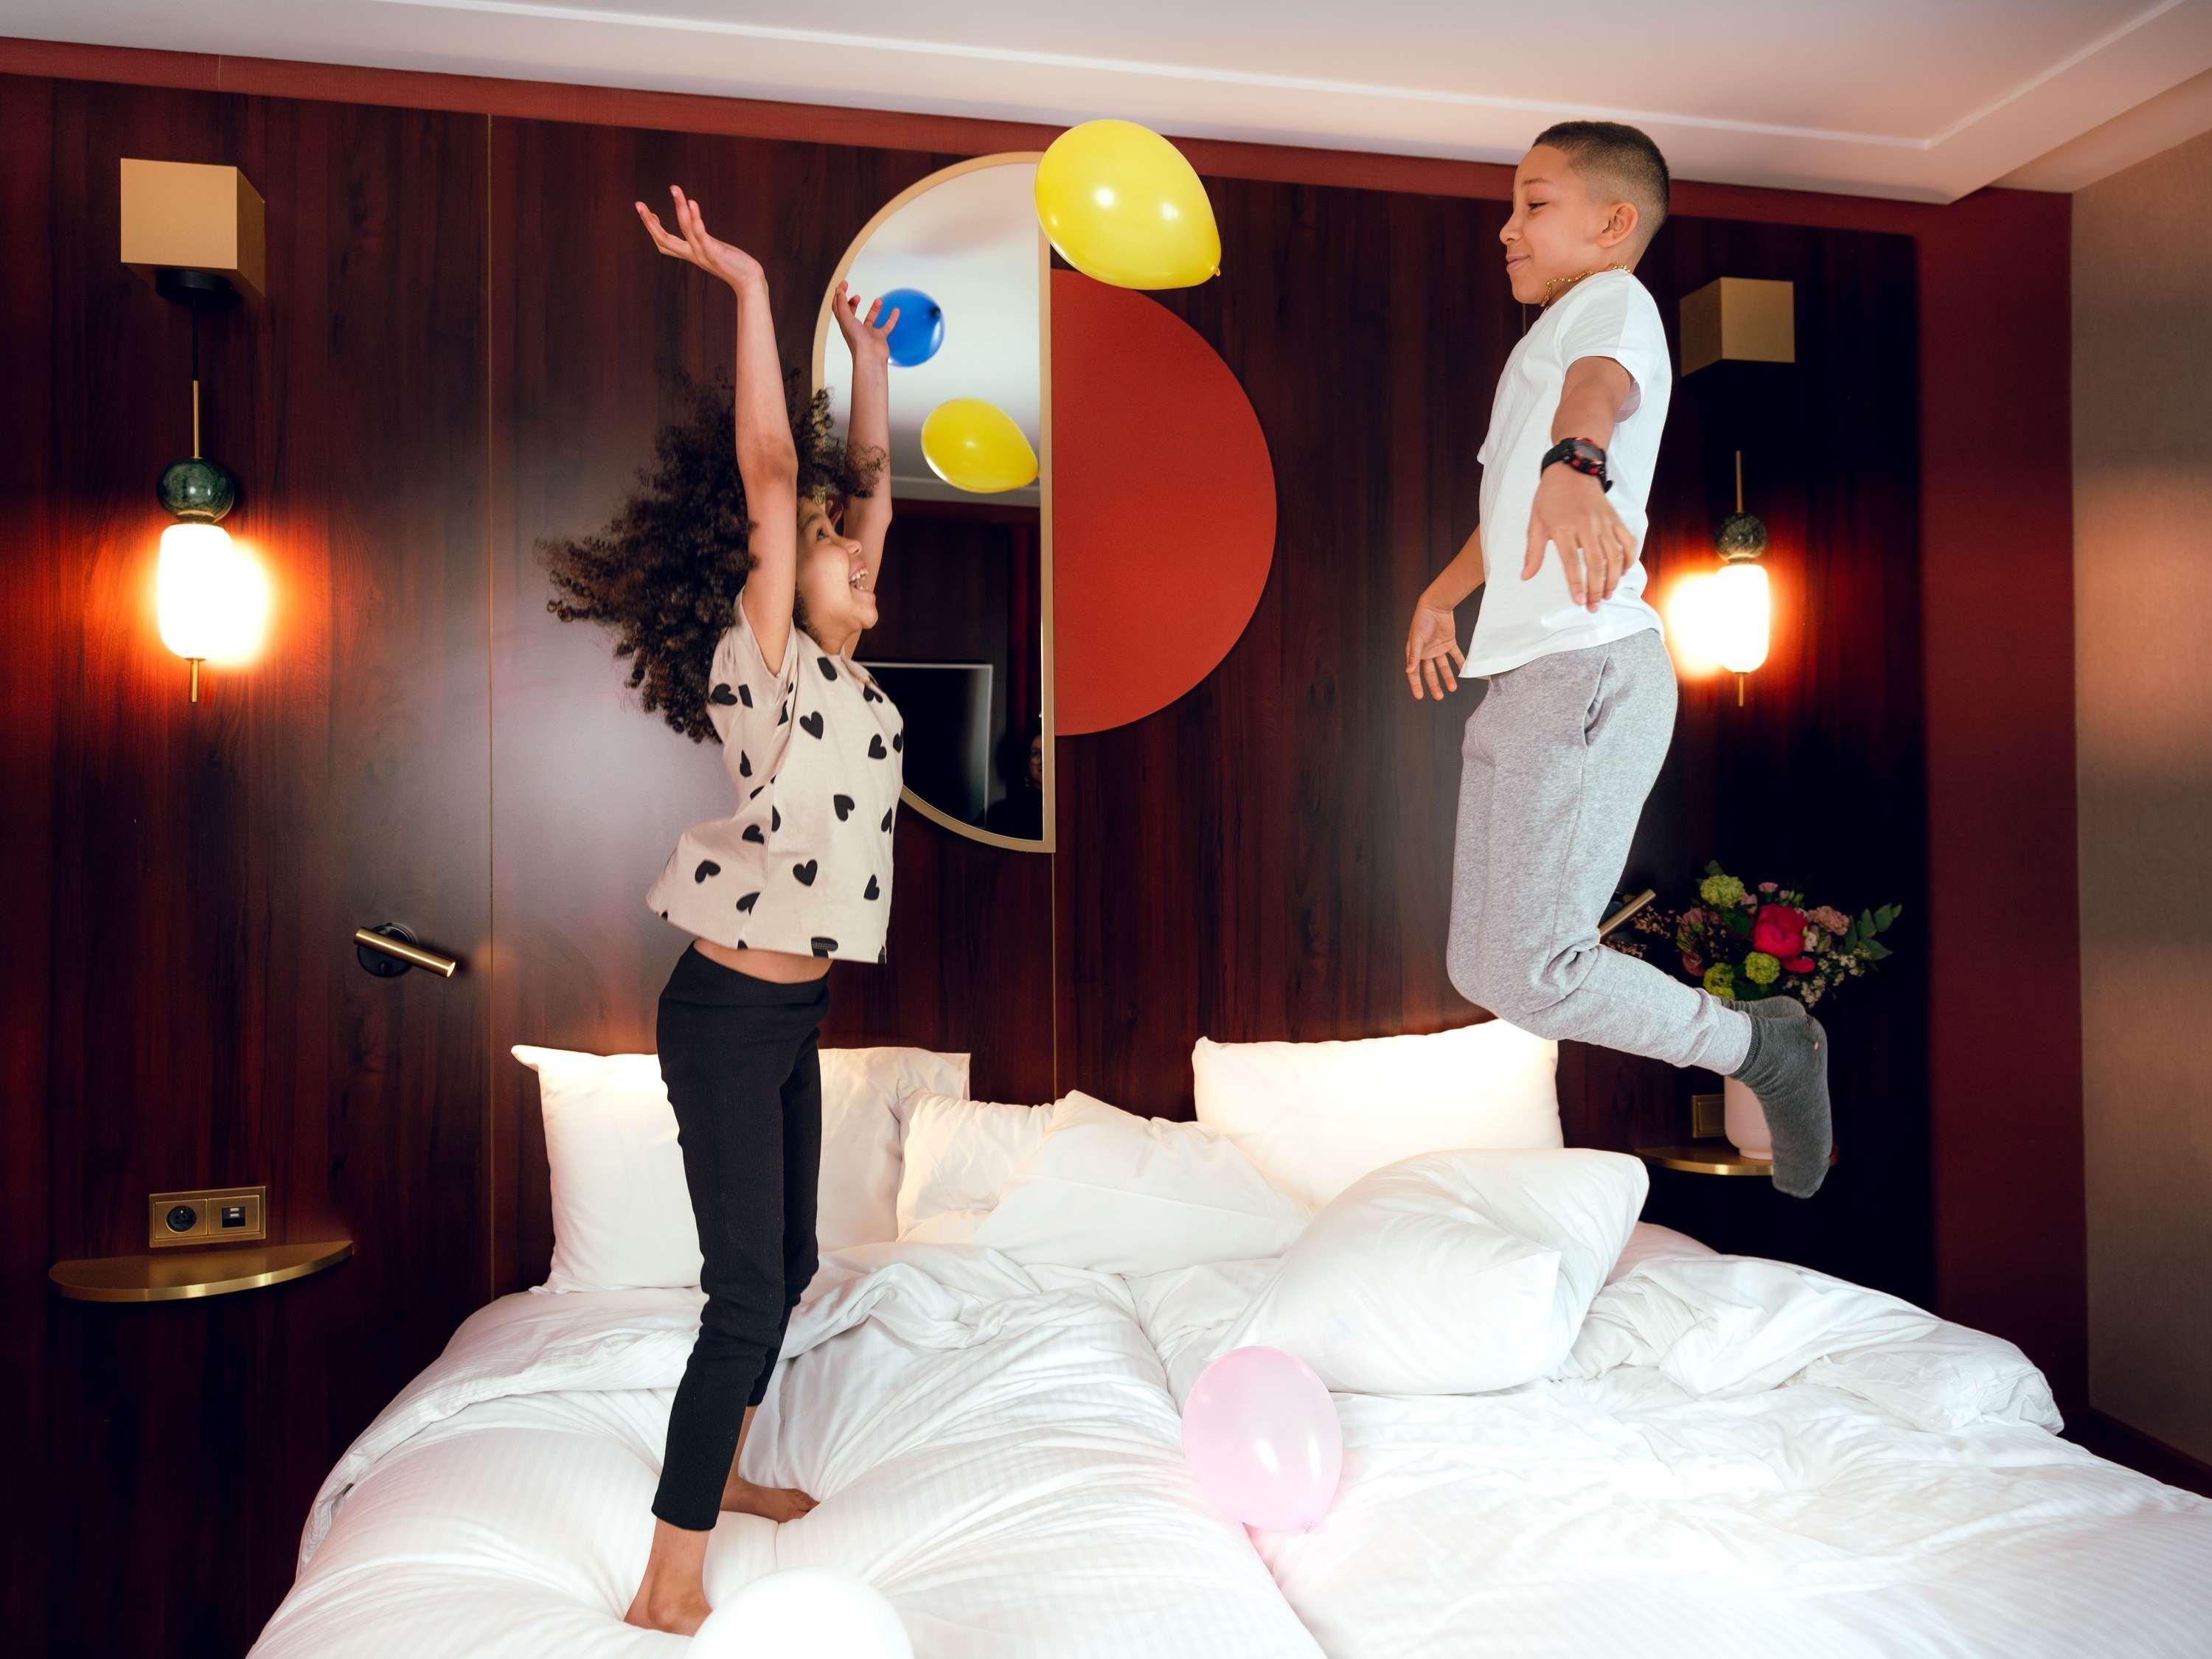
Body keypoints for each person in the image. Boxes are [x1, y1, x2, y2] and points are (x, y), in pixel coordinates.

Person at [544, 184, 906, 1635]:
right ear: (769, 568)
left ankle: (734, 1469)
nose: (860, 555)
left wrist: (872, 372)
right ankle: (669, 1578)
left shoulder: (848, 676)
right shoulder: (766, 663)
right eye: (832, 547)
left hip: (789, 1015)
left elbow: (859, 495)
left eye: (856, 544)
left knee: (791, 1268)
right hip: (721, 1016)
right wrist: (753, 291)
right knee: (746, 1293)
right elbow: (775, 469)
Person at [1403, 122, 1832, 1197]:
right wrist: (1442, 595)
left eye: (1534, 202)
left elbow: (1597, 393)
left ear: (1614, 223)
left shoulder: (1611, 307)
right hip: (1526, 681)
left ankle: (1765, 1047)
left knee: (1534, 969)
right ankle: (1760, 1041)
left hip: (1586, 671)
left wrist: (1576, 460)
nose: (1508, 227)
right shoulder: (1542, 342)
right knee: (1483, 966)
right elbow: (1511, 513)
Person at [984, 714, 1044, 838]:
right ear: (1026, 761)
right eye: (1036, 754)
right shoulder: (1002, 812)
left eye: (1048, 752)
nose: (1043, 760)